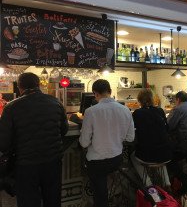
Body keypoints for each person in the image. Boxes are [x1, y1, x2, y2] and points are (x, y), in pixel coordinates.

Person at [0, 72, 68, 207]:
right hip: (53, 161)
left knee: (28, 201)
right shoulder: (56, 102)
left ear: (19, 87)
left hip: (26, 164)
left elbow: (3, 143)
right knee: (53, 200)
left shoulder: (11, 107)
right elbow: (64, 130)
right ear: (39, 85)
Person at [79, 79, 135, 207]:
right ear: (110, 91)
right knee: (103, 187)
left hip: (97, 163)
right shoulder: (126, 110)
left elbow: (84, 143)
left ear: (95, 94)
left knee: (100, 194)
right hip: (116, 160)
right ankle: (113, 198)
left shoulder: (91, 112)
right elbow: (130, 138)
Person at [130, 89, 172, 187]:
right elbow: (166, 128)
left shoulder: (137, 113)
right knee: (160, 154)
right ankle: (167, 183)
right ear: (152, 99)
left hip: (147, 155)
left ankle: (148, 184)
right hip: (166, 154)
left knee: (133, 156)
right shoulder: (160, 111)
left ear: (139, 100)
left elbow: (133, 131)